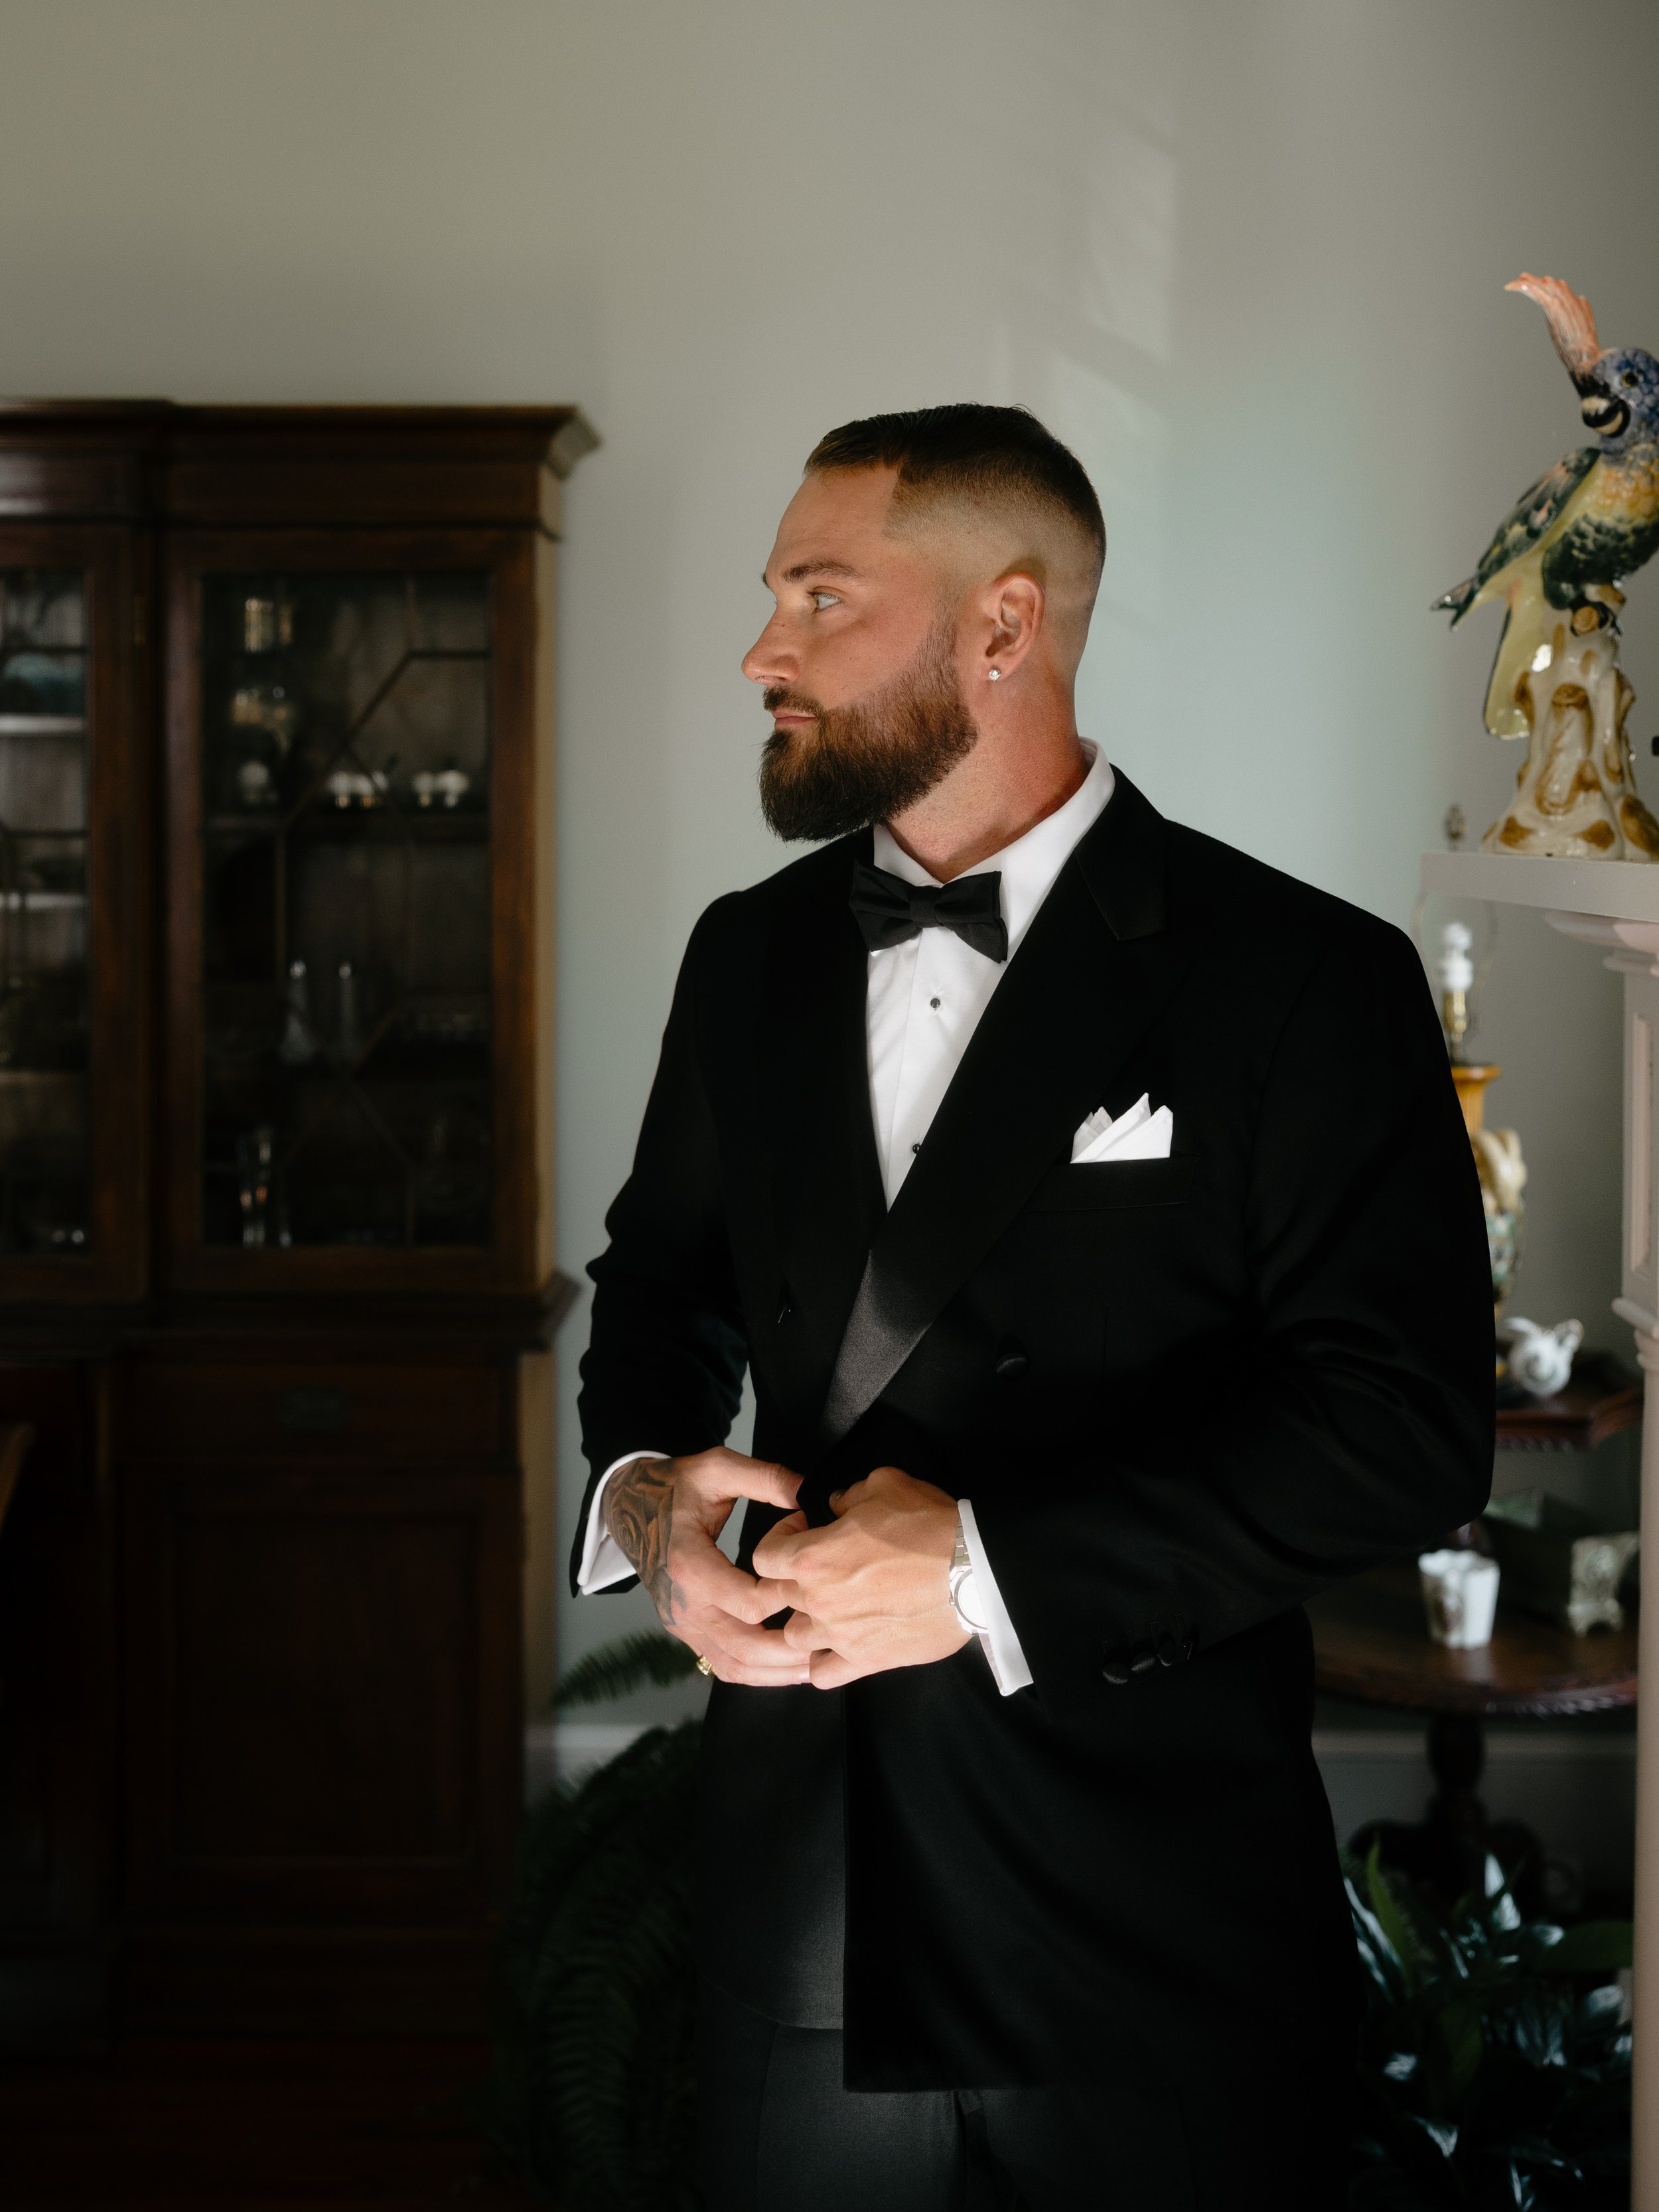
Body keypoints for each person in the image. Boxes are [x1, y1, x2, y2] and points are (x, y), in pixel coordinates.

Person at [571, 404, 1493, 2211]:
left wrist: (989, 1573)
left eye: (820, 598)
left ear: (1002, 626)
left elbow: (1401, 1432)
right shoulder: (745, 956)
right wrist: (649, 1508)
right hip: (810, 1894)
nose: (762, 651)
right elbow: (659, 1292)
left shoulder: (1304, 978)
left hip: (1143, 1909)